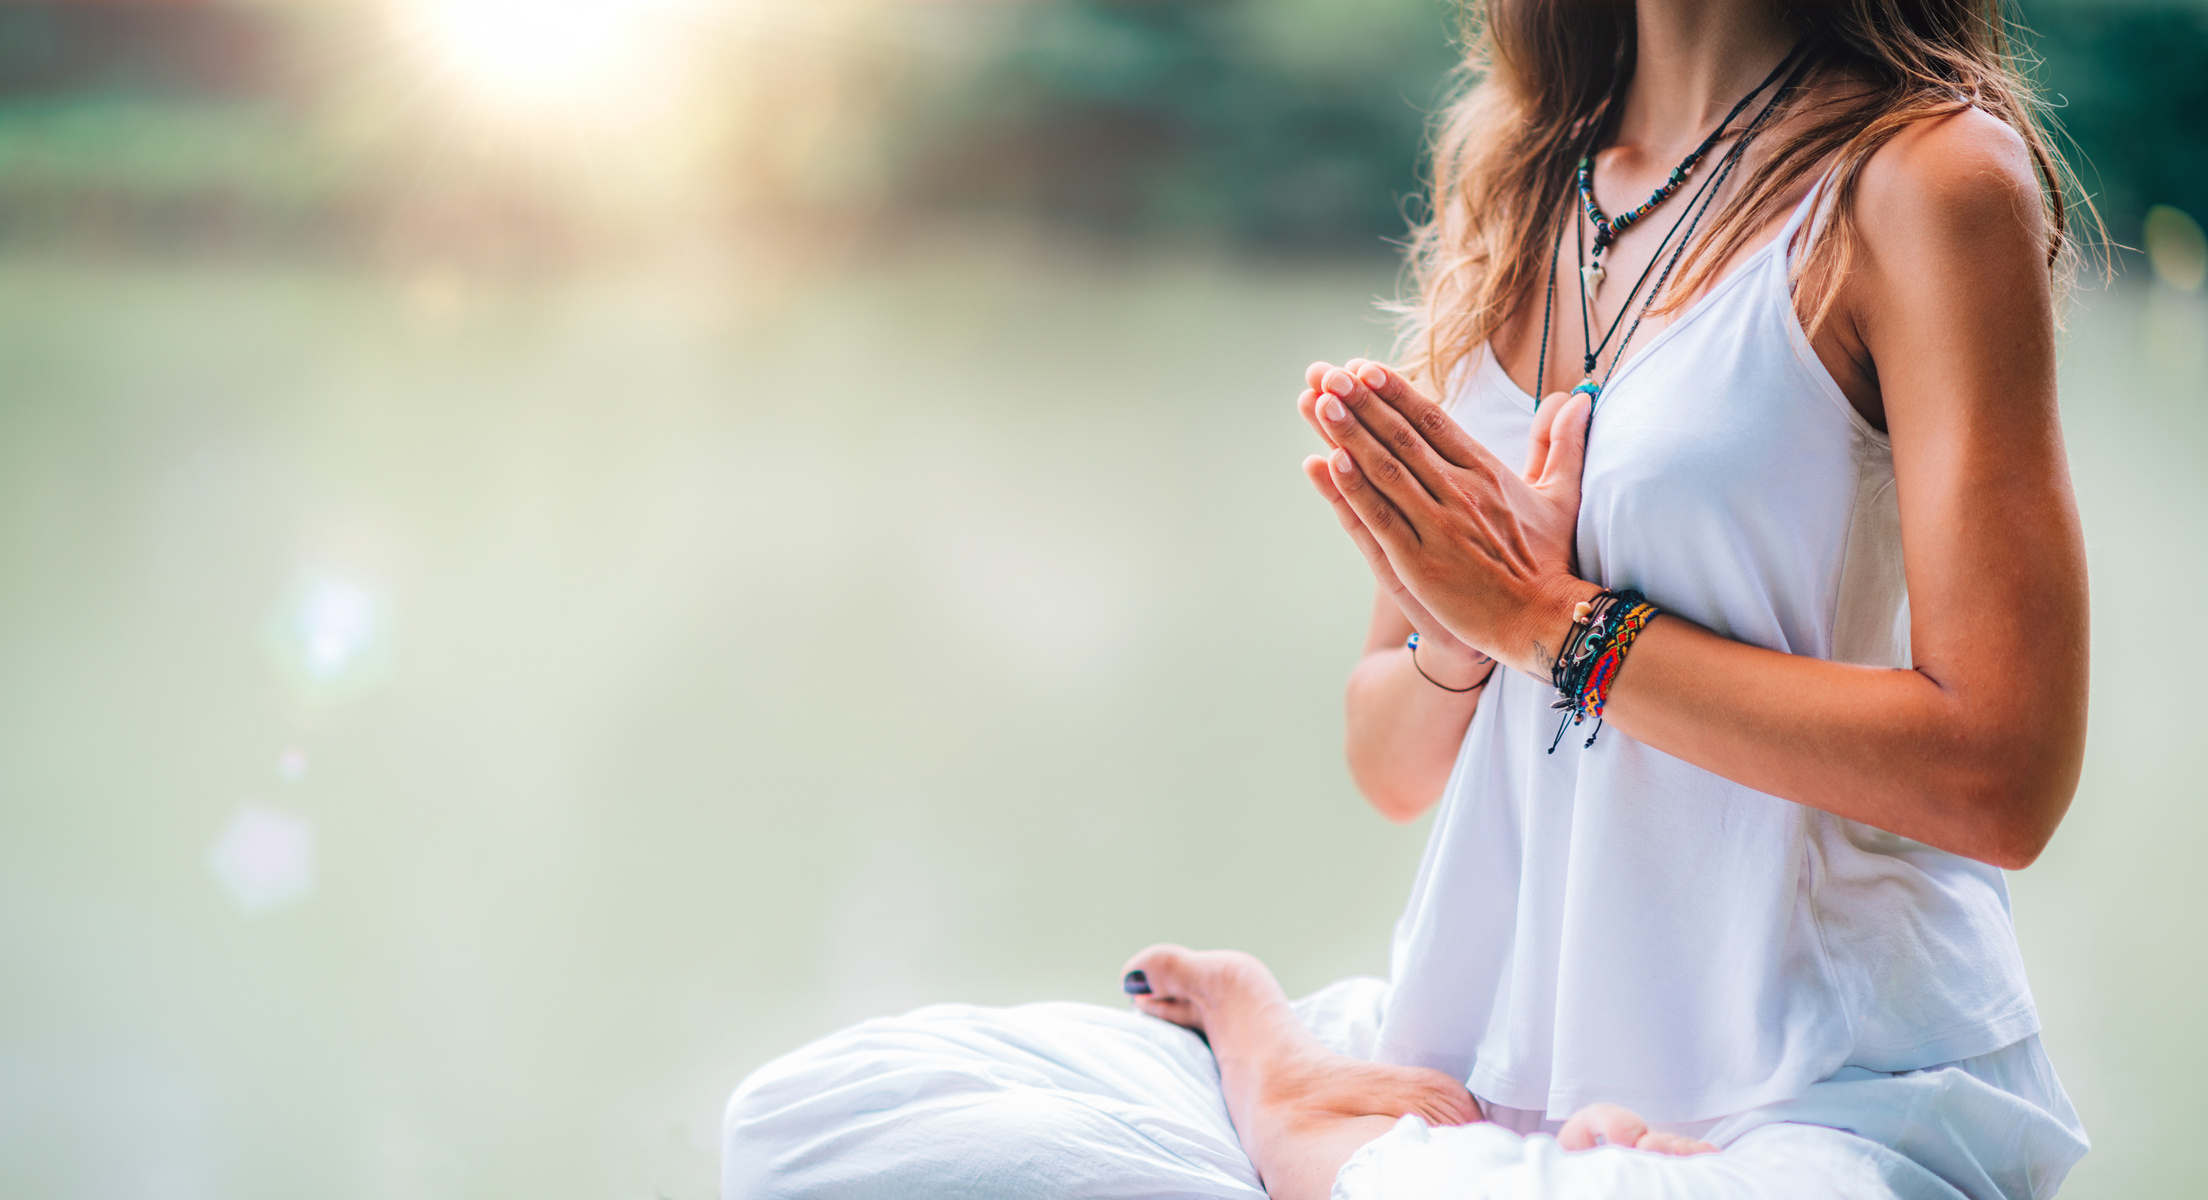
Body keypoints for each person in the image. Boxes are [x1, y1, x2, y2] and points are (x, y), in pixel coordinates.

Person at [724, 1, 2093, 1196]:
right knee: (818, 1129)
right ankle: (1363, 1129)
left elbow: (1999, 775)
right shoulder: (1515, 188)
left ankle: (1287, 1099)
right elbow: (1387, 757)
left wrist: (1546, 621)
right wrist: (1459, 629)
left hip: (1806, 1087)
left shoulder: (1924, 183)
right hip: (1479, 1058)